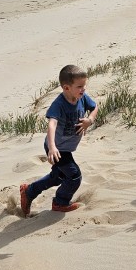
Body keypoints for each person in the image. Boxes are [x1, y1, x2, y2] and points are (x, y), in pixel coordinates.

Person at [20, 64, 99, 216]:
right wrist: (52, 147)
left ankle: (29, 191)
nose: (83, 89)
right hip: (57, 148)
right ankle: (60, 202)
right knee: (74, 176)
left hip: (65, 148)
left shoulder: (82, 98)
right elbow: (52, 124)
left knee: (59, 177)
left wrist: (90, 120)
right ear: (66, 87)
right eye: (79, 86)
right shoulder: (59, 104)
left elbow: (94, 107)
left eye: (84, 86)